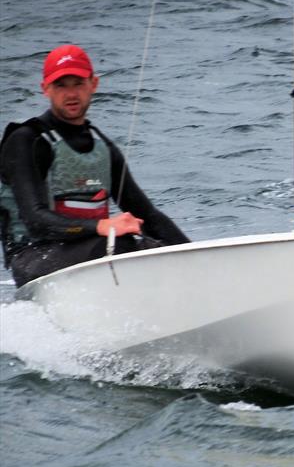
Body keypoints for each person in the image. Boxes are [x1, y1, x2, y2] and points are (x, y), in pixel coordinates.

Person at [0, 44, 190, 288]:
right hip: (33, 257)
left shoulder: (103, 148)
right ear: (45, 89)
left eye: (78, 83)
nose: (70, 94)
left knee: (152, 248)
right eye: (60, 85)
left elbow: (150, 217)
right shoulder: (27, 140)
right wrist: (102, 225)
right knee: (123, 246)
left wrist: (196, 257)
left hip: (90, 253)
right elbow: (35, 220)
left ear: (94, 84)